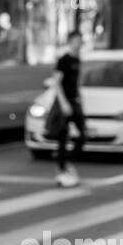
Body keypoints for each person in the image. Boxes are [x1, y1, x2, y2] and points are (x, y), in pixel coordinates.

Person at [51, 31, 87, 187]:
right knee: (62, 137)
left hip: (75, 101)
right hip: (64, 103)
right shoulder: (63, 60)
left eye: (80, 41)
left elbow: (76, 83)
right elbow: (56, 82)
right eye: (76, 41)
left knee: (82, 135)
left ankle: (69, 163)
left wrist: (80, 101)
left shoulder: (78, 60)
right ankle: (62, 169)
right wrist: (64, 103)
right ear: (70, 42)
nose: (79, 44)